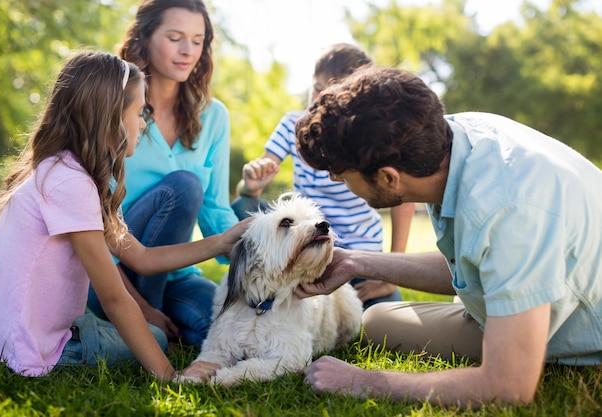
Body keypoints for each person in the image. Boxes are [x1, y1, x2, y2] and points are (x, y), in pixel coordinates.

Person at [293, 66, 602, 406]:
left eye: (342, 174)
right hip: (499, 302)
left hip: (580, 325)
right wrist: (355, 261)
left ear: (388, 178)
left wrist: (366, 381)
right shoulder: (453, 138)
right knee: (377, 321)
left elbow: (508, 387)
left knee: (500, 371)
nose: (337, 181)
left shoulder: (509, 212)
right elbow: (472, 263)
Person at [0, 50, 244, 380]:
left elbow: (143, 258)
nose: (144, 123)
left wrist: (221, 243)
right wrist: (170, 377)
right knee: (155, 338)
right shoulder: (71, 184)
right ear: (112, 117)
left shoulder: (60, 168)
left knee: (146, 332)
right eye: (138, 112)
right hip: (17, 346)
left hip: (2, 324)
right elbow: (115, 299)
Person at [86, 0, 238, 347]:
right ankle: (143, 327)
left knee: (222, 333)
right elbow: (94, 227)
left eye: (198, 41)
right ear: (144, 39)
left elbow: (216, 211)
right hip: (111, 274)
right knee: (183, 186)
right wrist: (142, 309)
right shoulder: (113, 109)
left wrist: (259, 257)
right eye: (175, 37)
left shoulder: (214, 116)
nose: (188, 51)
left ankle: (162, 330)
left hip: (176, 273)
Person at [231, 43, 415, 309]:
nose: (318, 102)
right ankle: (269, 280)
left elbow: (403, 204)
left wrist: (391, 277)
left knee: (382, 321)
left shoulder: (369, 137)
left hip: (357, 254)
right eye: (316, 88)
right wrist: (250, 185)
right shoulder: (292, 124)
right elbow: (249, 190)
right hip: (303, 243)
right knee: (243, 206)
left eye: (330, 96)